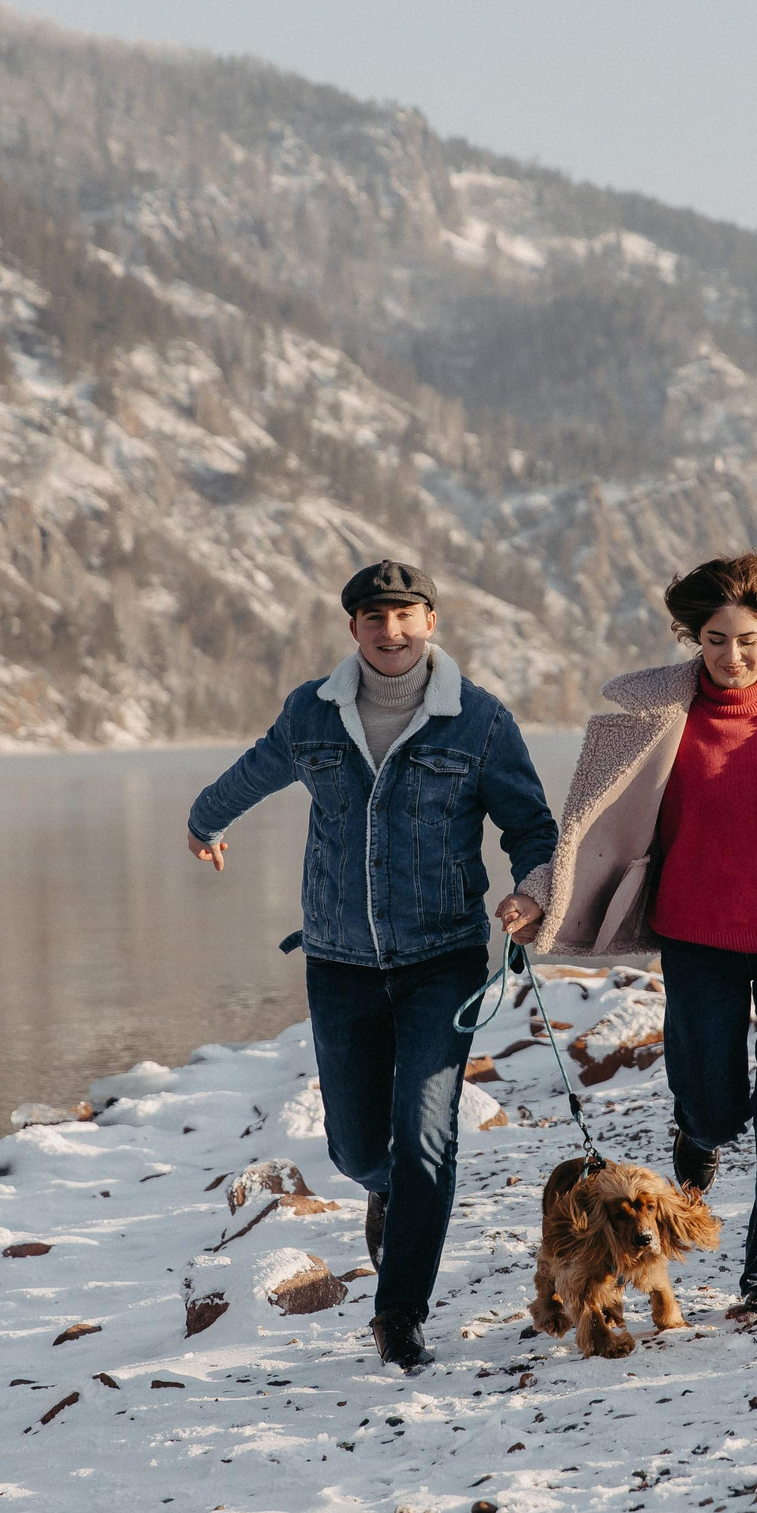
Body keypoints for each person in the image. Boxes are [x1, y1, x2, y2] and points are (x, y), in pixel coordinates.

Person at [186, 559, 555, 1371]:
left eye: (407, 615)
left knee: (428, 1138)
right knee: (356, 1149)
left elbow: (534, 829)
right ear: (353, 628)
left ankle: (400, 1314)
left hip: (443, 959)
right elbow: (258, 766)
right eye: (375, 618)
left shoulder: (480, 722)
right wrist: (204, 818)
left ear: (432, 623)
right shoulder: (313, 714)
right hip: (340, 960)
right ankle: (387, 1190)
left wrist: (532, 894)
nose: (392, 631)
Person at [524, 553, 757, 1322]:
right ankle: (696, 1133)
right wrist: (535, 896)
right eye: (716, 639)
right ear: (693, 637)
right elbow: (585, 831)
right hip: (696, 936)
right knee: (713, 1105)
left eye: (749, 639)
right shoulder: (654, 719)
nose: (733, 656)